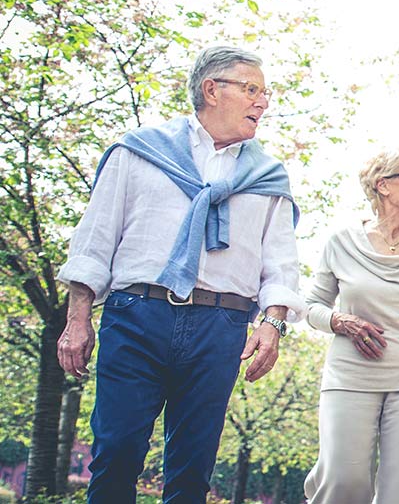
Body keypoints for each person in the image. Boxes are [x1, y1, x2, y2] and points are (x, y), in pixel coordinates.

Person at [56, 46, 303, 503]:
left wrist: (272, 325)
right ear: (212, 90)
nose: (262, 102)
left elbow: (281, 263)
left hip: (221, 326)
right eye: (251, 90)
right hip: (137, 315)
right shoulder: (139, 152)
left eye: (264, 92)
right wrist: (77, 319)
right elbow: (95, 239)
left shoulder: (269, 177)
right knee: (116, 454)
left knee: (193, 470)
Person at [303, 148, 399, 504]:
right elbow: (310, 306)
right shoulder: (341, 243)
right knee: (341, 482)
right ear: (383, 185)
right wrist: (341, 321)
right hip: (350, 376)